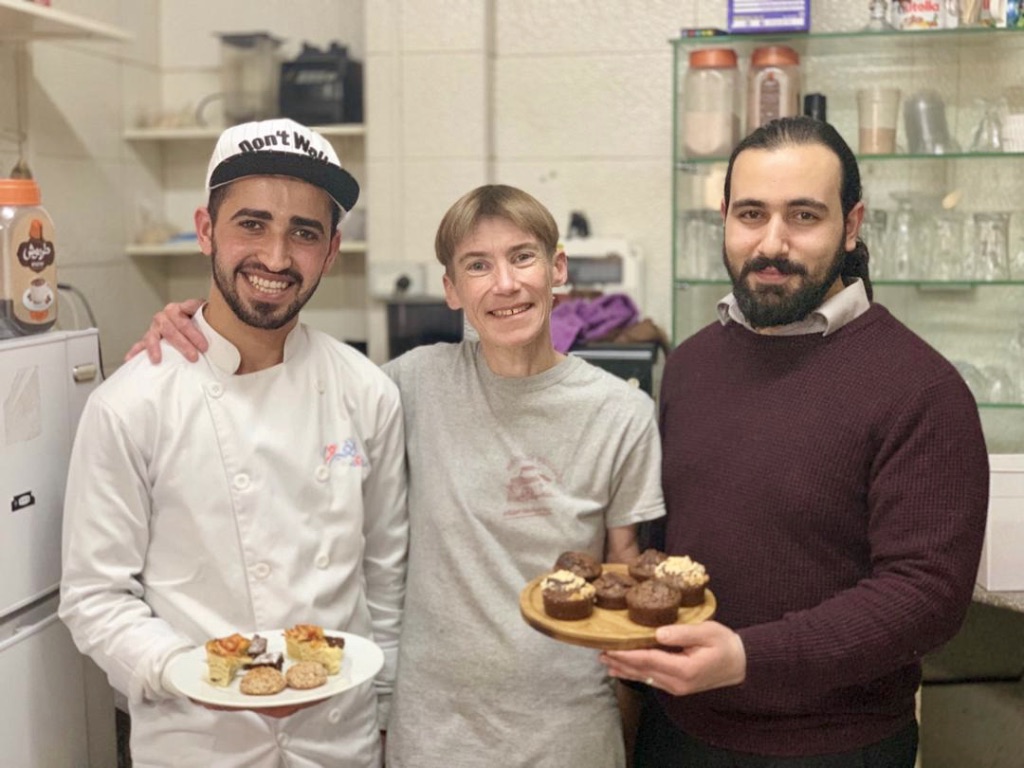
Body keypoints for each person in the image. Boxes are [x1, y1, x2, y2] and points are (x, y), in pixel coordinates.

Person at [128, 184, 667, 767]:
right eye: (478, 266)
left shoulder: (621, 413)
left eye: (522, 257)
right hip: (432, 733)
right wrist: (195, 329)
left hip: (569, 730)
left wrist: (628, 730)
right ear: (451, 289)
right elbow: (278, 388)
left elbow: (624, 590)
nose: (505, 284)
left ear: (557, 268)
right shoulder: (405, 387)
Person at [600, 116, 990, 767]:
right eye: (751, 214)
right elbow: (663, 547)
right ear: (725, 218)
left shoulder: (920, 388)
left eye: (803, 216)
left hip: (833, 747)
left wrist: (748, 658)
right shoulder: (691, 364)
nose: (771, 242)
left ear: (852, 224)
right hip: (677, 734)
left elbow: (926, 596)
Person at [59, 118, 408, 767]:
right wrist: (186, 673)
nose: (276, 258)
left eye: (304, 233)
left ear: (331, 250)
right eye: (252, 224)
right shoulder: (131, 404)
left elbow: (385, 578)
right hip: (195, 743)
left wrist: (385, 715)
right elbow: (94, 597)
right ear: (205, 230)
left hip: (340, 742)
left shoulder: (368, 393)